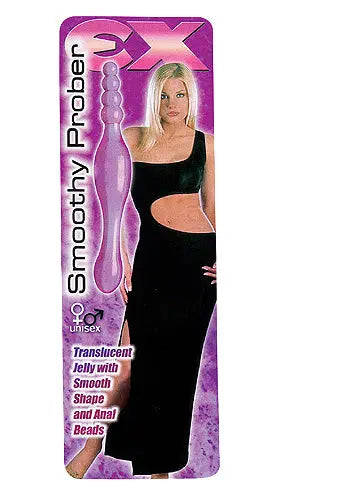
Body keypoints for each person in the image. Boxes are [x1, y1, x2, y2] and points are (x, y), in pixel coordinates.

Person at [66, 62, 217, 479]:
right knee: (127, 362)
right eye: (164, 95)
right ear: (155, 98)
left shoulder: (206, 143)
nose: (172, 104)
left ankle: (159, 473)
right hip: (152, 260)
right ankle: (92, 445)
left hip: (197, 267)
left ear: (191, 97)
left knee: (177, 372)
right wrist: (120, 255)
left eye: (180, 94)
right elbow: (109, 197)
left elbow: (215, 209)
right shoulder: (132, 138)